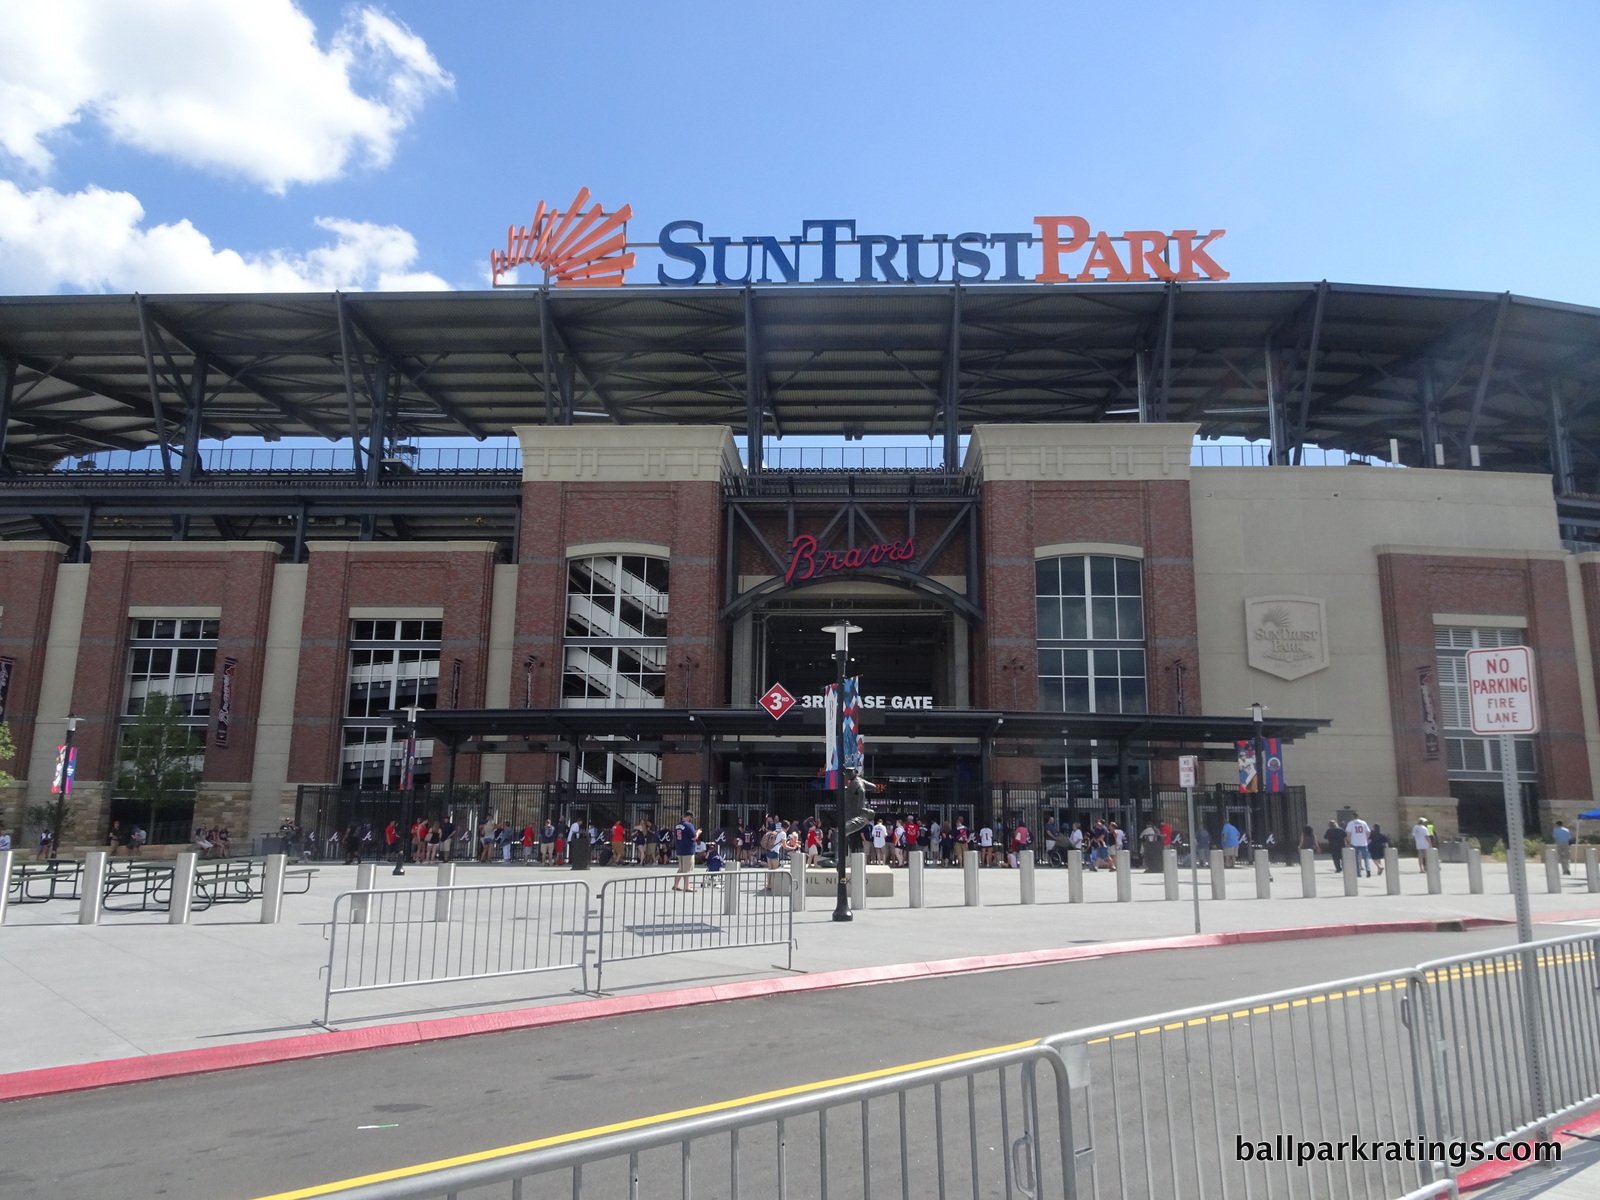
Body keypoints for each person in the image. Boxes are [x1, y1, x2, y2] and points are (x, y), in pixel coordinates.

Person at [672, 810, 698, 892]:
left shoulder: (677, 825)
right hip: (688, 849)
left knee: (681, 868)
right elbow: (694, 837)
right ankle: (687, 886)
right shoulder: (688, 825)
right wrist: (698, 833)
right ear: (689, 817)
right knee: (687, 869)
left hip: (680, 848)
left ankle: (676, 885)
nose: (692, 819)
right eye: (691, 818)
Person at [1345, 812, 1373, 877]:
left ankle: (1358, 873)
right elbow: (1368, 832)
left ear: (1352, 817)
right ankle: (1368, 869)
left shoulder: (1351, 823)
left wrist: (1348, 841)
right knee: (1366, 857)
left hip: (1354, 843)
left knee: (1356, 858)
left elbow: (1348, 833)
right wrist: (1365, 838)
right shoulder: (1363, 823)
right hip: (1363, 843)